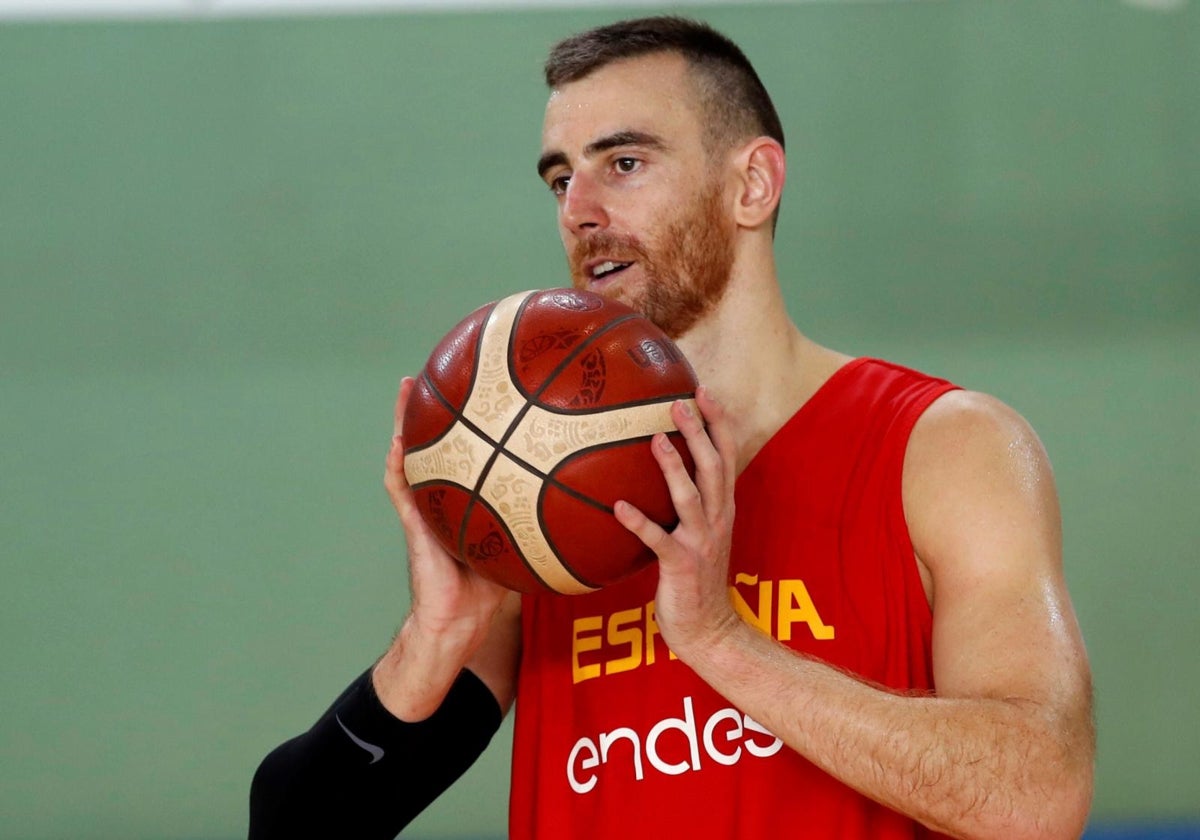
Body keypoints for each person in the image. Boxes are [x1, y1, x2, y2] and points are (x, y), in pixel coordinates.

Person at [250, 16, 1095, 839]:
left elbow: (1037, 798)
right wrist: (432, 641)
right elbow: (289, 826)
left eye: (623, 162)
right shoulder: (544, 510)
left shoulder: (944, 448)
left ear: (752, 184)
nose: (579, 209)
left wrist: (722, 644)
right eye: (558, 179)